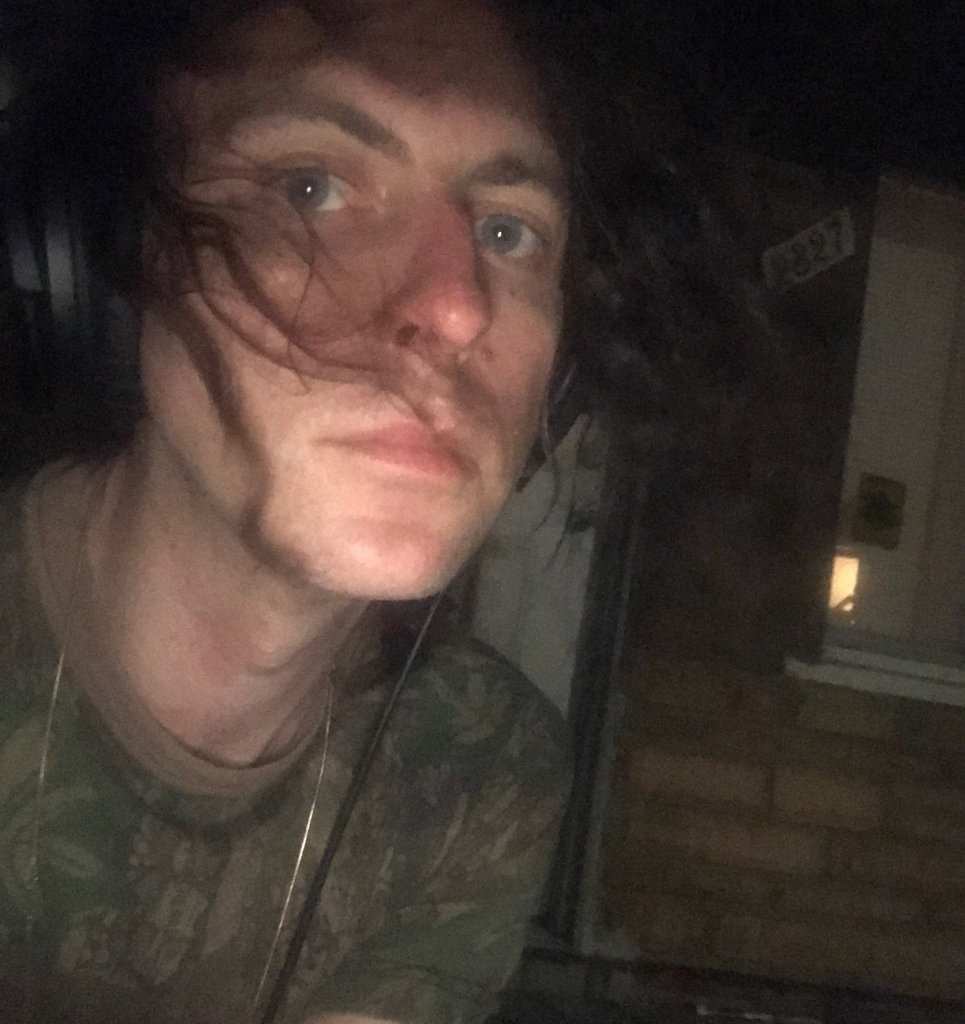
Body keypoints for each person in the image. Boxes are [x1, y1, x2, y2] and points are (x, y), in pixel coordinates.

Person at [0, 0, 581, 1019]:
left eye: (505, 231)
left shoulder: (480, 763)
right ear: (110, 256)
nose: (457, 306)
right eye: (311, 187)